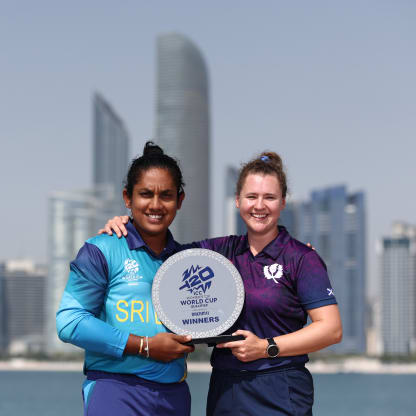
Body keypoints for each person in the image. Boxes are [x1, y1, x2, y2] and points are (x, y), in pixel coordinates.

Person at [101, 151, 343, 415]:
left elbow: (330, 329)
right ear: (238, 201)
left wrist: (265, 347)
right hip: (225, 391)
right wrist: (130, 223)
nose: (259, 206)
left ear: (283, 202)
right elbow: (162, 253)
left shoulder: (302, 258)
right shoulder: (220, 251)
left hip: (280, 390)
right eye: (251, 197)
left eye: (269, 197)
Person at [56, 142, 195, 416]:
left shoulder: (187, 261)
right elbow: (69, 322)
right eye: (145, 194)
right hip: (116, 391)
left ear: (180, 200)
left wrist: (305, 254)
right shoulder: (101, 249)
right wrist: (145, 346)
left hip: (175, 396)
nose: (155, 205)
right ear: (128, 198)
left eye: (166, 195)